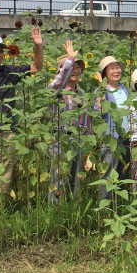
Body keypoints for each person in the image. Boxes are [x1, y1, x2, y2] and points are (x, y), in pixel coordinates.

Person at [0, 28, 43, 195]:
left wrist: (38, 47)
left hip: (6, 130)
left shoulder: (10, 72)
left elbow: (36, 67)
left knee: (4, 172)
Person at [47, 40, 91, 203]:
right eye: (73, 67)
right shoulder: (55, 90)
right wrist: (69, 60)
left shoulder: (82, 94)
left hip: (78, 140)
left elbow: (87, 122)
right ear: (62, 69)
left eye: (79, 67)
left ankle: (72, 212)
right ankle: (55, 213)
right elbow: (59, 81)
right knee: (58, 178)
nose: (77, 70)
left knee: (76, 179)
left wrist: (89, 147)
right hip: (60, 138)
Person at [96, 55, 131, 200]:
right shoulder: (100, 91)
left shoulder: (124, 89)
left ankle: (120, 207)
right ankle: (105, 208)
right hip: (111, 138)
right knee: (108, 174)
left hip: (125, 136)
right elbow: (100, 110)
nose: (116, 71)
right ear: (104, 73)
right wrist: (102, 87)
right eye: (112, 68)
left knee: (123, 174)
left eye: (118, 67)